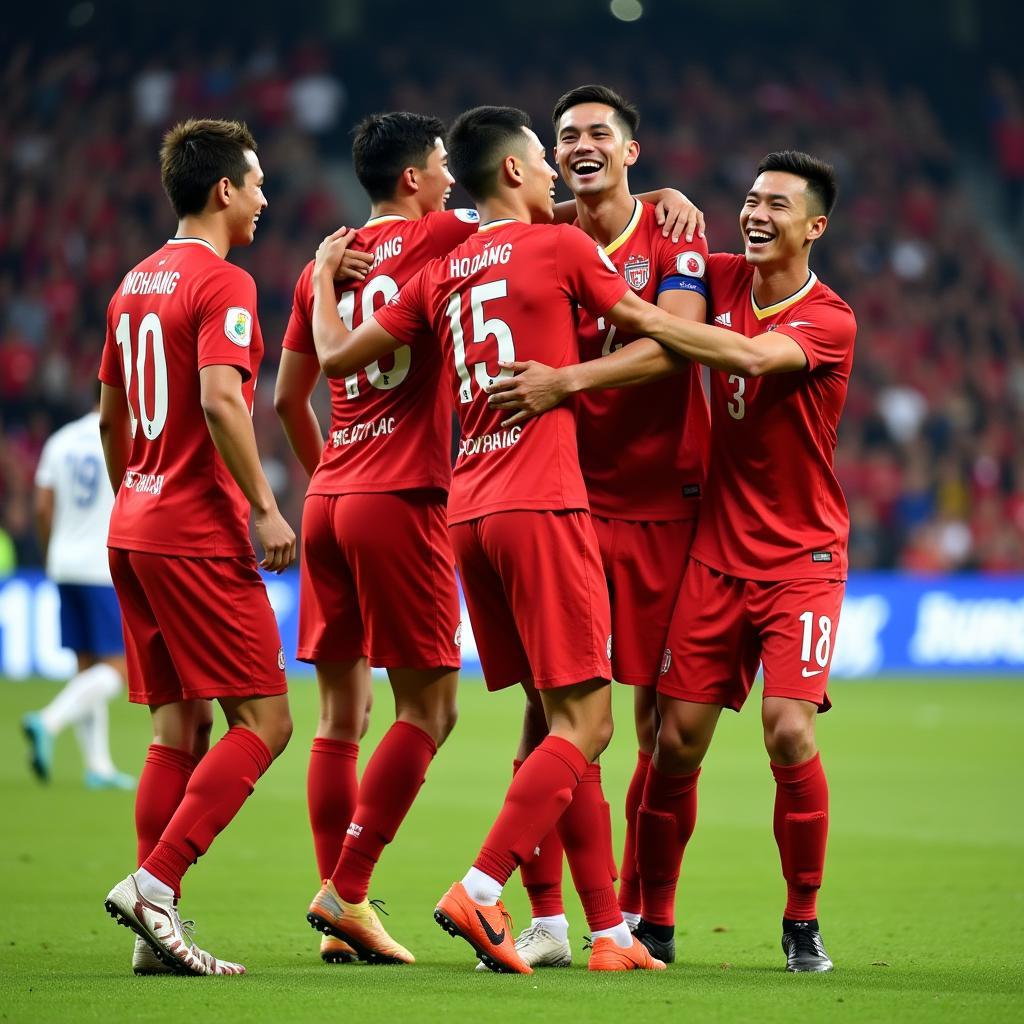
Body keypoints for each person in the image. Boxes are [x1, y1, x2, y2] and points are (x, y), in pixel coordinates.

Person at [285, 112, 699, 967]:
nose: (557, 171)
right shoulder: (553, 250)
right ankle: (481, 890)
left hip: (466, 509)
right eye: (546, 159)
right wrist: (733, 341)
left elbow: (331, 361)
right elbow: (652, 327)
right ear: (512, 170)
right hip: (540, 502)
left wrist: (325, 276)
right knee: (588, 724)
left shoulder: (440, 273)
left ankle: (608, 930)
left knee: (553, 717)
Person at [488, 150, 856, 972]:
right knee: (673, 743)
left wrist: (649, 323)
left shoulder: (829, 318)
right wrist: (658, 191)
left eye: (778, 206)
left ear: (815, 227)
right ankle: (652, 920)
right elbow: (630, 231)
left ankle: (802, 921)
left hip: (803, 558)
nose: (757, 215)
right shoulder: (717, 276)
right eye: (751, 200)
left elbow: (755, 360)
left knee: (788, 730)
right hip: (714, 553)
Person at [487, 84, 710, 969]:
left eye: (597, 135)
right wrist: (348, 251)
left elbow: (677, 343)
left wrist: (565, 382)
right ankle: (549, 921)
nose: (579, 145)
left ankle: (647, 918)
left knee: (657, 732)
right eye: (565, 136)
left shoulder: (673, 235)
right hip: (566, 504)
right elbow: (461, 202)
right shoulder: (537, 233)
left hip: (664, 510)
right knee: (550, 720)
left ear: (630, 151)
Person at [98, 118, 296, 977]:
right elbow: (223, 400)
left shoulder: (131, 282)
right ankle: (156, 887)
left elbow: (112, 418)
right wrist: (263, 505)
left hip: (133, 526)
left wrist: (139, 493)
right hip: (193, 534)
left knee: (178, 722)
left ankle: (154, 940)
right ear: (224, 190)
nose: (263, 198)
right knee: (268, 719)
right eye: (255, 183)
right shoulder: (225, 284)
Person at [279, 112, 472, 966]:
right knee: (431, 709)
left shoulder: (325, 263)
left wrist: (337, 473)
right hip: (399, 500)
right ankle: (347, 891)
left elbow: (288, 400)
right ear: (412, 181)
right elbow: (535, 214)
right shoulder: (440, 238)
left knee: (338, 715)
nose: (453, 180)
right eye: (441, 166)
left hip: (329, 495)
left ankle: (338, 910)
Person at [22, 395, 134, 791]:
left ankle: (98, 766)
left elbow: (41, 507)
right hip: (102, 565)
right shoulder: (129, 432)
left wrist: (54, 551)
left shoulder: (61, 440)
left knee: (86, 667)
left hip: (64, 564)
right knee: (120, 668)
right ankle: (47, 721)